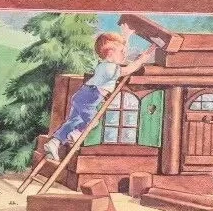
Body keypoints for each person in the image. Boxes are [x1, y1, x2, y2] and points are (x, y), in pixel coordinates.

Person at [43, 24, 154, 161]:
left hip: (83, 94)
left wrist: (126, 36)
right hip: (91, 97)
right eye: (122, 52)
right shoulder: (110, 69)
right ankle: (74, 136)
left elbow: (120, 50)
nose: (125, 54)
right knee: (92, 122)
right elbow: (128, 69)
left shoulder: (104, 65)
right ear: (110, 53)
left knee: (74, 121)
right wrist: (143, 58)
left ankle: (54, 143)